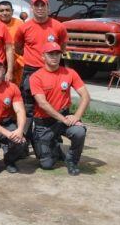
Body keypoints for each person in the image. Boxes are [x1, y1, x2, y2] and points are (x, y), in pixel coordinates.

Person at [14, 0, 68, 147]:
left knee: (52, 106)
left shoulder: (58, 26)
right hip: (31, 72)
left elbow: (62, 48)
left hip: (52, 72)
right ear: (31, 8)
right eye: (36, 5)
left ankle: (54, 141)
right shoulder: (24, 27)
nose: (39, 8)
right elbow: (18, 48)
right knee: (28, 108)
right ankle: (24, 142)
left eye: (42, 5)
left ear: (48, 7)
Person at [30, 42, 91, 175]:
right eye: (50, 54)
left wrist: (76, 117)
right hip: (44, 123)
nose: (54, 57)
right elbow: (42, 104)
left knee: (79, 132)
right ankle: (52, 146)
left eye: (57, 54)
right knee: (47, 165)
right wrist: (63, 119)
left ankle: (71, 161)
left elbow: (85, 96)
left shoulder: (70, 73)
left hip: (63, 118)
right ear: (43, 56)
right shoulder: (36, 77)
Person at [0, 0, 25, 86]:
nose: (5, 13)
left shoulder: (20, 25)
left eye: (7, 10)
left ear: (12, 11)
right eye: (2, 11)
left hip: (17, 63)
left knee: (16, 88)